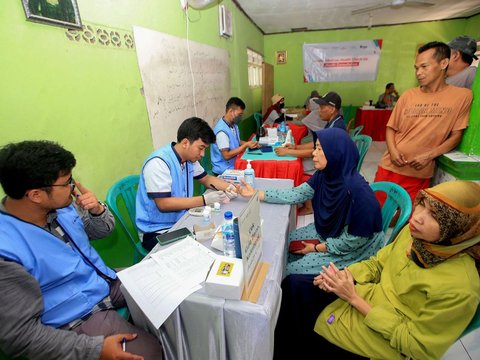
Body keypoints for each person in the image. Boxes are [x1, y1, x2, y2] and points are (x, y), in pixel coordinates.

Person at [274, 180, 480, 360]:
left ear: (459, 228)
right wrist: (341, 276)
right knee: (293, 286)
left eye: (435, 215)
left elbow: (417, 347)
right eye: (422, 204)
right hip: (367, 297)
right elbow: (377, 264)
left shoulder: (460, 287)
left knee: (300, 330)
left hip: (381, 341)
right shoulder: (415, 235)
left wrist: (354, 299)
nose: (417, 217)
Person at [0, 140, 163, 360]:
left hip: (103, 280)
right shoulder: (6, 251)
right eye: (67, 182)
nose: (73, 187)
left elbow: (102, 231)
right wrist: (93, 349)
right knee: (151, 353)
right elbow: (19, 337)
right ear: (36, 195)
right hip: (77, 313)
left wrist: (97, 210)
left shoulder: (62, 206)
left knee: (166, 284)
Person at [237, 128, 384, 275]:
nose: (314, 153)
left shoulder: (360, 195)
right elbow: (296, 193)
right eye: (315, 148)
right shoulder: (325, 174)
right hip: (329, 232)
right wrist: (257, 194)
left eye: (319, 149)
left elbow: (352, 242)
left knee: (287, 271)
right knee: (281, 243)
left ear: (336, 153)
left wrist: (315, 248)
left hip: (354, 250)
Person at [373, 41, 473, 207]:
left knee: (405, 218)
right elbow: (391, 128)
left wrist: (429, 155)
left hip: (418, 172)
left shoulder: (462, 97)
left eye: (424, 67)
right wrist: (393, 150)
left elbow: (456, 136)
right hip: (389, 166)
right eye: (416, 68)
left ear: (443, 63)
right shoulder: (408, 95)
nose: (419, 73)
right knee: (375, 212)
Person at [136, 117, 238, 251]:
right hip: (157, 231)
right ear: (185, 142)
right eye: (200, 148)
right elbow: (164, 204)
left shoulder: (189, 160)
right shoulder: (159, 163)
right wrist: (204, 200)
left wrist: (230, 187)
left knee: (221, 232)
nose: (202, 154)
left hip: (181, 220)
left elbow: (206, 179)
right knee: (203, 249)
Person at [275, 91, 346, 160]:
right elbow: (317, 143)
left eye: (322, 107)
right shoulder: (332, 123)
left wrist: (288, 151)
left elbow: (315, 152)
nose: (319, 110)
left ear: (332, 109)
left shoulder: (335, 129)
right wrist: (295, 147)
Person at [210, 97, 260, 176]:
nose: (241, 117)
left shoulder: (233, 125)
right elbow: (226, 155)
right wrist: (245, 146)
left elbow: (236, 141)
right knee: (251, 174)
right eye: (239, 114)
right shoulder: (221, 132)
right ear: (231, 111)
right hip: (223, 171)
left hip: (233, 165)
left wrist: (250, 143)